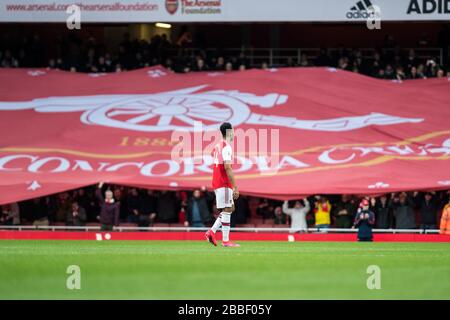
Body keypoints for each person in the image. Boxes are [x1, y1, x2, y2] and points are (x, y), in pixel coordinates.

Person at [205, 122, 240, 247]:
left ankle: (212, 232)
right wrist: (235, 186)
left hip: (217, 180)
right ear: (229, 132)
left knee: (230, 208)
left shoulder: (218, 145)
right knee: (227, 209)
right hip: (223, 182)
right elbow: (227, 167)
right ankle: (225, 241)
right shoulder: (226, 147)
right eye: (233, 131)